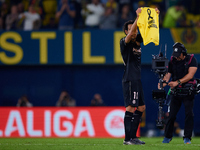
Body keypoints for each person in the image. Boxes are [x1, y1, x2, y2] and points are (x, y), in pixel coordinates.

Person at [120, 7, 159, 145]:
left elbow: (148, 31)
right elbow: (130, 34)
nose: (134, 31)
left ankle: (133, 137)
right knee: (130, 108)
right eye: (132, 29)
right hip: (130, 79)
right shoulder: (123, 43)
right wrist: (138, 17)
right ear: (126, 31)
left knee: (141, 108)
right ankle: (127, 139)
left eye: (135, 29)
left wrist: (154, 17)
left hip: (137, 79)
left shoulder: (138, 41)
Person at [158, 42, 198, 144]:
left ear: (183, 52)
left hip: (188, 91)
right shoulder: (172, 60)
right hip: (175, 92)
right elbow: (168, 74)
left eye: (178, 55)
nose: (176, 57)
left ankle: (187, 138)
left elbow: (190, 75)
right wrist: (163, 83)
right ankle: (167, 137)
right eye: (175, 55)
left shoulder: (191, 59)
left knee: (189, 114)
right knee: (171, 115)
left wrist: (177, 82)